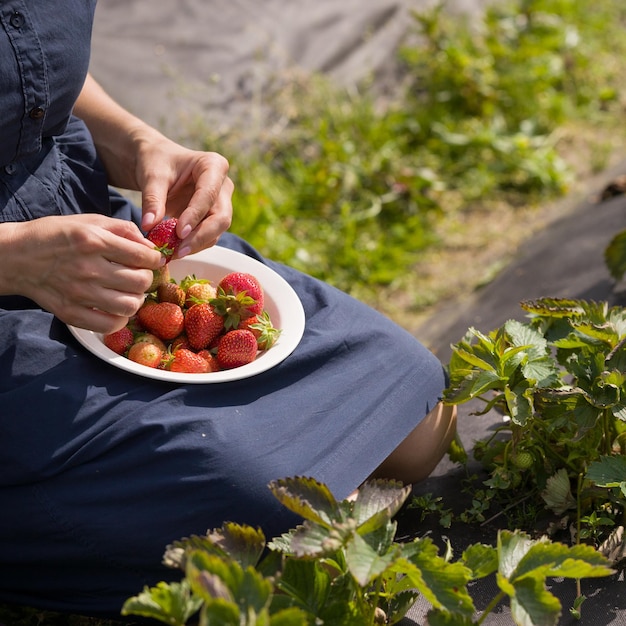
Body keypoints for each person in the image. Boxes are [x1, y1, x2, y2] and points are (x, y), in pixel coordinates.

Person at [0, 0, 456, 619]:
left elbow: (35, 73)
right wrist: (16, 258)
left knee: (419, 407)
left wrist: (142, 144)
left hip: (95, 240)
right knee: (275, 514)